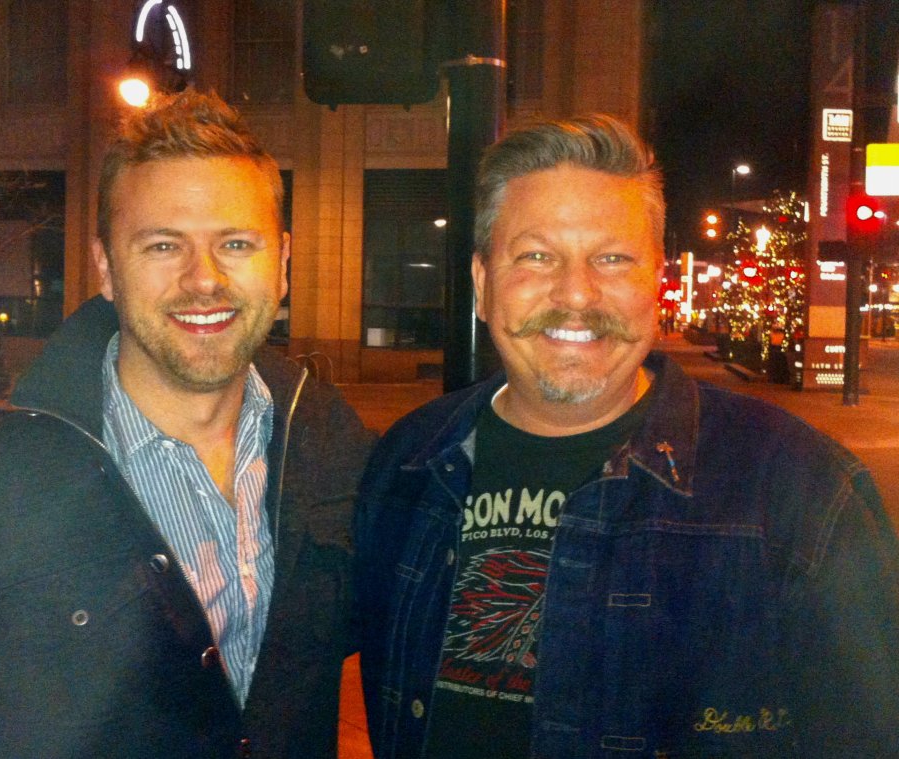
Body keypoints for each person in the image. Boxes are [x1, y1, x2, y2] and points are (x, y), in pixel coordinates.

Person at [354, 116, 899, 758]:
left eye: (612, 258)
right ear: (481, 284)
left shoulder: (800, 490)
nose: (577, 294)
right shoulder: (408, 462)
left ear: (657, 281)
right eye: (536, 256)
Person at [0, 89, 374, 758]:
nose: (203, 279)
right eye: (162, 245)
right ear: (106, 267)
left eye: (235, 243)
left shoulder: (332, 444)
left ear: (284, 262)